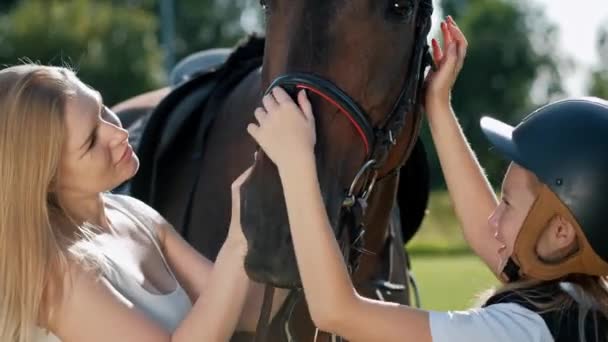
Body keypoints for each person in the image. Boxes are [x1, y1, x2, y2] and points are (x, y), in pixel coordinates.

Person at [244, 16, 608, 341]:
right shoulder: (582, 307)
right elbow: (489, 235)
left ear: (561, 233)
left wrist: (296, 163)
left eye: (508, 205)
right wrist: (437, 104)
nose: (494, 219)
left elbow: (336, 311)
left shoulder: (517, 331)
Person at [0, 64, 279, 342]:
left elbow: (247, 311)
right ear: (47, 178)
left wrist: (295, 177)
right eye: (91, 140)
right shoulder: (60, 273)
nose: (118, 133)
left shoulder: (134, 214)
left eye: (102, 111)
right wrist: (239, 238)